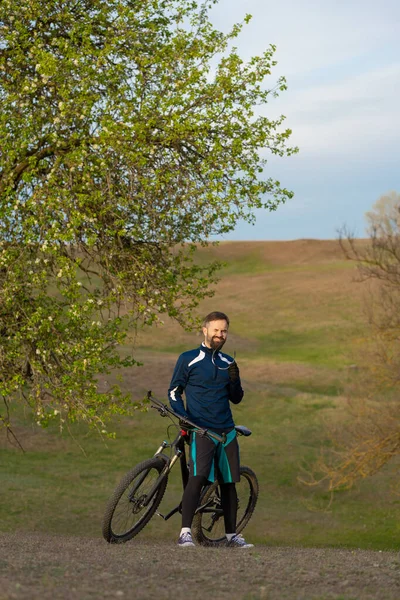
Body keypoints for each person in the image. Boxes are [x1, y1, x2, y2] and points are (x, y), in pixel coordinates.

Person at [168, 311, 254, 548]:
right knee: (196, 479)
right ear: (204, 330)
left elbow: (236, 398)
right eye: (216, 330)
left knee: (228, 483)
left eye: (224, 330)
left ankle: (231, 536)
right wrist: (182, 416)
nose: (220, 334)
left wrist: (235, 380)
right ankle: (185, 532)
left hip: (226, 431)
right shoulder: (188, 359)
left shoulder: (229, 363)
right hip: (201, 430)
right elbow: (174, 392)